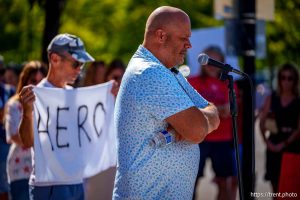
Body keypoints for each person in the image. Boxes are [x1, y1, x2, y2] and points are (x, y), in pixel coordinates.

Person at [112, 6, 220, 199]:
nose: (189, 45)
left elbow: (212, 112)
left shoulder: (169, 71)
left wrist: (187, 125)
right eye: (183, 38)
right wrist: (195, 123)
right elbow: (197, 130)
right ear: (161, 36)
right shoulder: (149, 72)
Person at [18, 33, 96, 200]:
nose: (79, 69)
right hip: (49, 184)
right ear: (54, 59)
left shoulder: (73, 95)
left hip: (75, 182)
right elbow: (26, 142)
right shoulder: (37, 94)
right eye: (76, 63)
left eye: (82, 64)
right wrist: (26, 113)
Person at [188, 46, 240, 200]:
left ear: (222, 63)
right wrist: (216, 109)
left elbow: (232, 108)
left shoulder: (229, 83)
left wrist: (214, 109)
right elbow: (188, 109)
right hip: (198, 138)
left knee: (223, 182)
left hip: (223, 139)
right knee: (192, 182)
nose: (211, 65)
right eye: (208, 60)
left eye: (215, 61)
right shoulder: (192, 81)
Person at [4, 61, 47, 200]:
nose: (36, 86)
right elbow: (13, 136)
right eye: (33, 81)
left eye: (41, 81)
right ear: (24, 81)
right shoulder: (14, 104)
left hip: (44, 171)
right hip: (21, 169)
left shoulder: (49, 105)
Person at [259, 63, 300, 193]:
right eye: (283, 77)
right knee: (275, 187)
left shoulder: (298, 101)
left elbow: (299, 129)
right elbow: (262, 122)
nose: (286, 81)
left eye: (290, 78)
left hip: (293, 146)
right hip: (273, 143)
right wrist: (267, 142)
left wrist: (283, 144)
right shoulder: (271, 98)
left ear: (295, 80)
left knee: (290, 190)